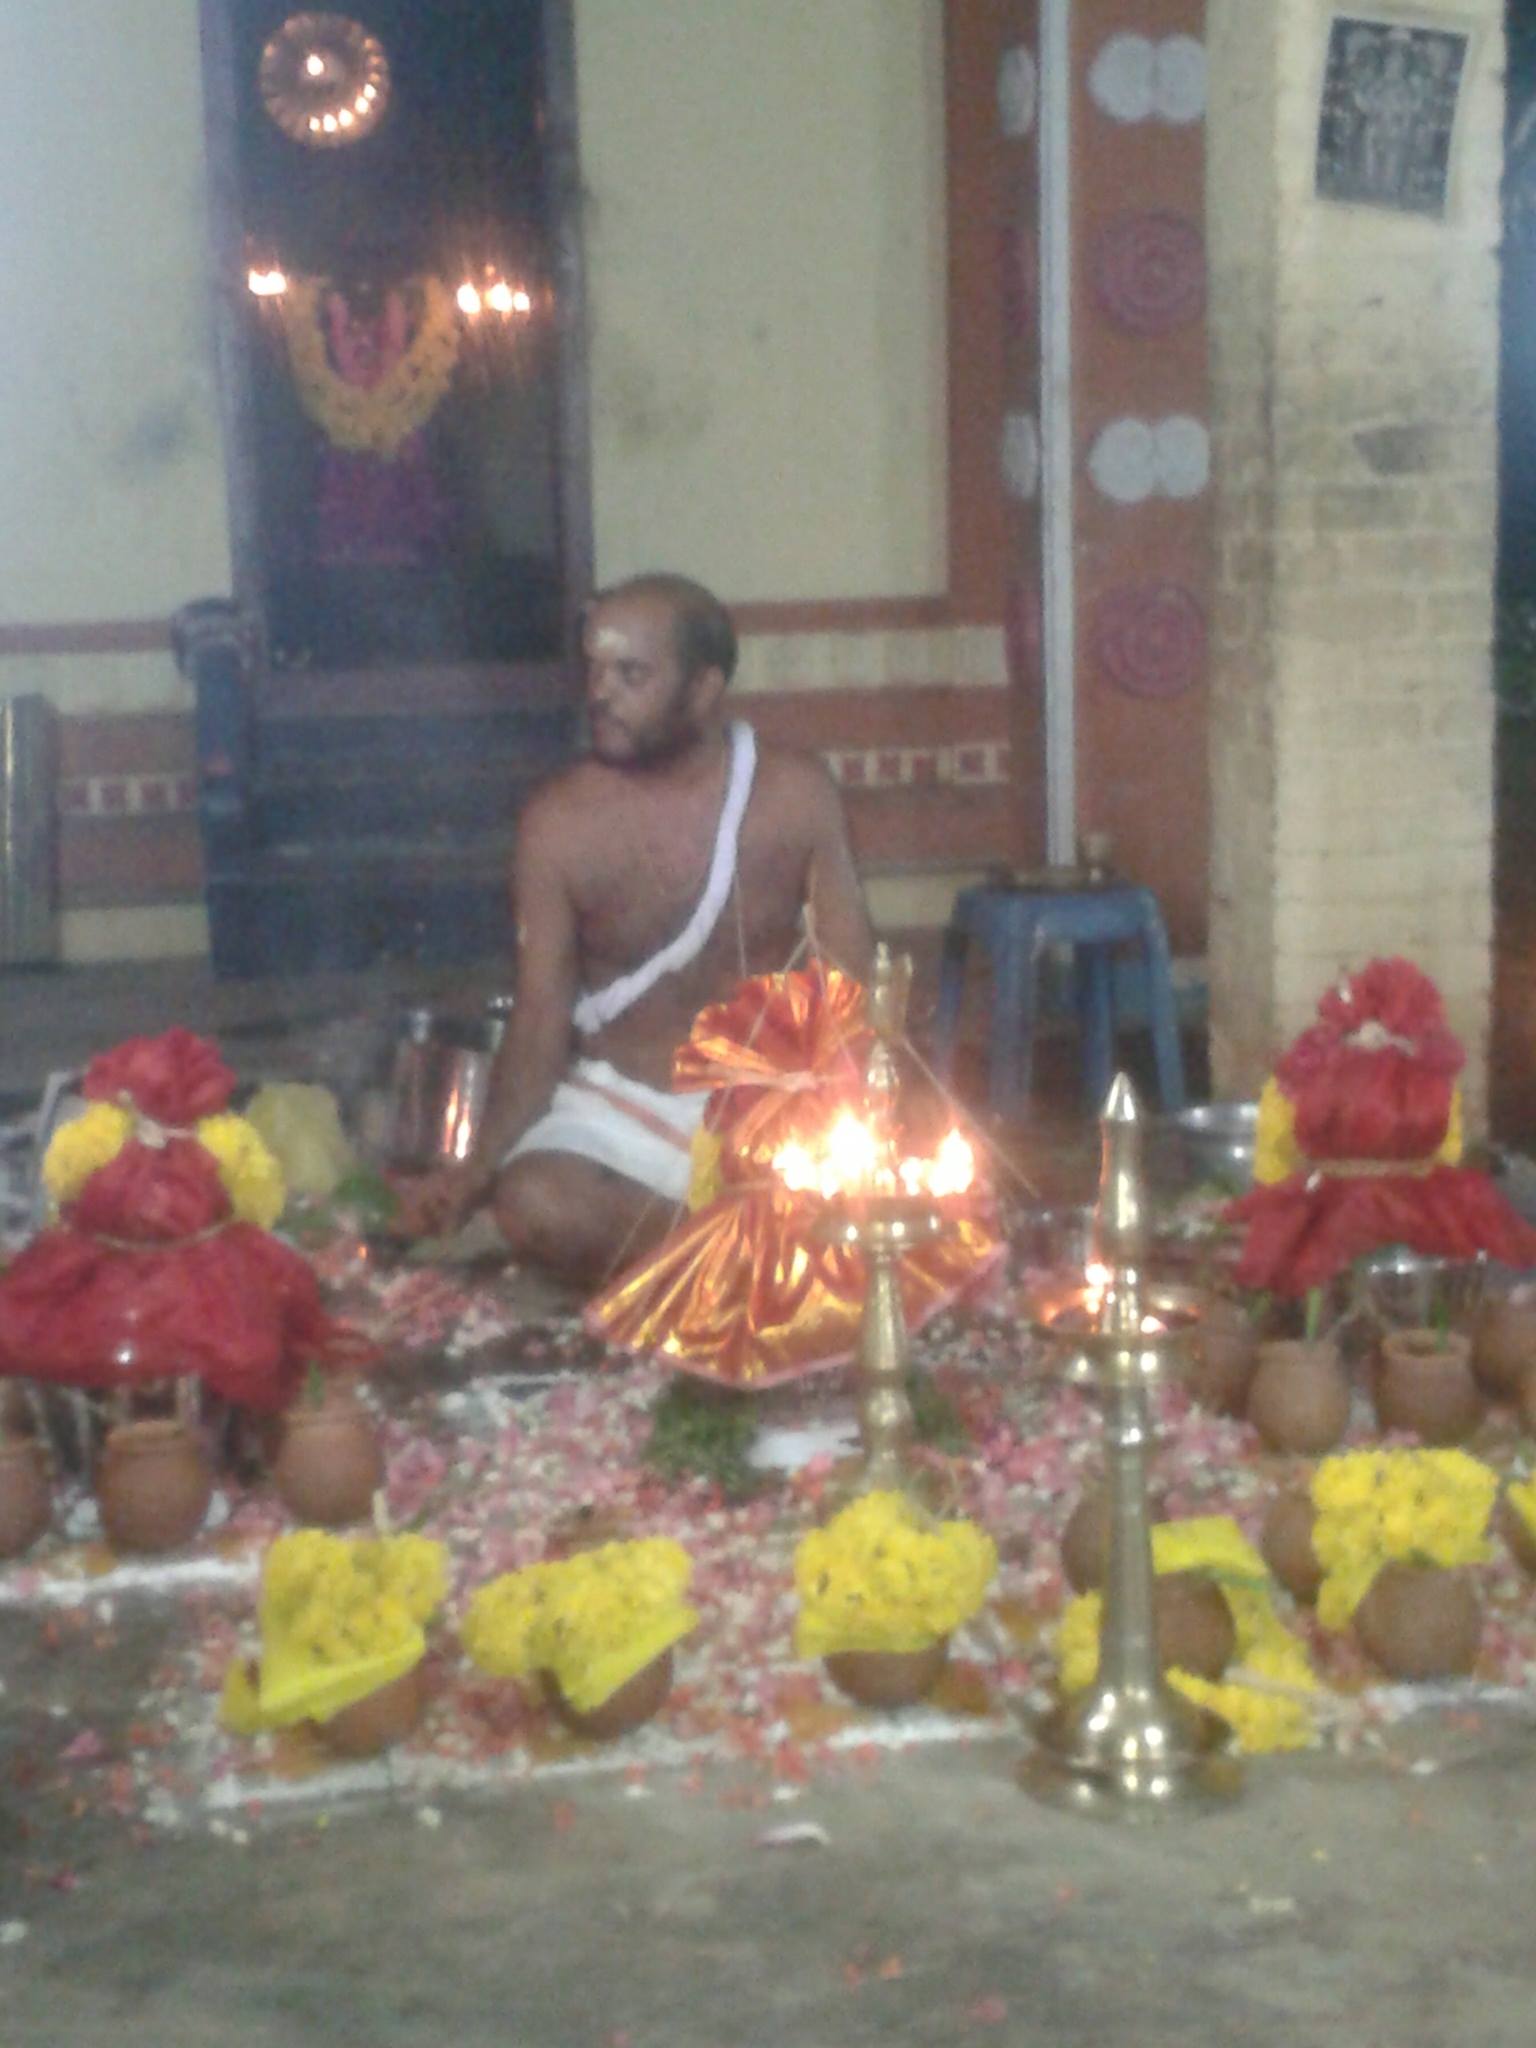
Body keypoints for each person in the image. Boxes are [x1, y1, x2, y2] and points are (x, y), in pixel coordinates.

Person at [406, 571, 874, 1284]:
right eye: (594, 669)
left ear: (704, 687)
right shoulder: (559, 823)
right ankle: (753, 1254)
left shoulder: (795, 795)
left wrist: (829, 1118)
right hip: (619, 1107)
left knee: (914, 1184)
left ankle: (718, 1252)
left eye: (631, 674)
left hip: (766, 1112)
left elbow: (851, 985)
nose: (600, 693)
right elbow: (539, 1024)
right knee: (534, 1204)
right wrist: (480, 1166)